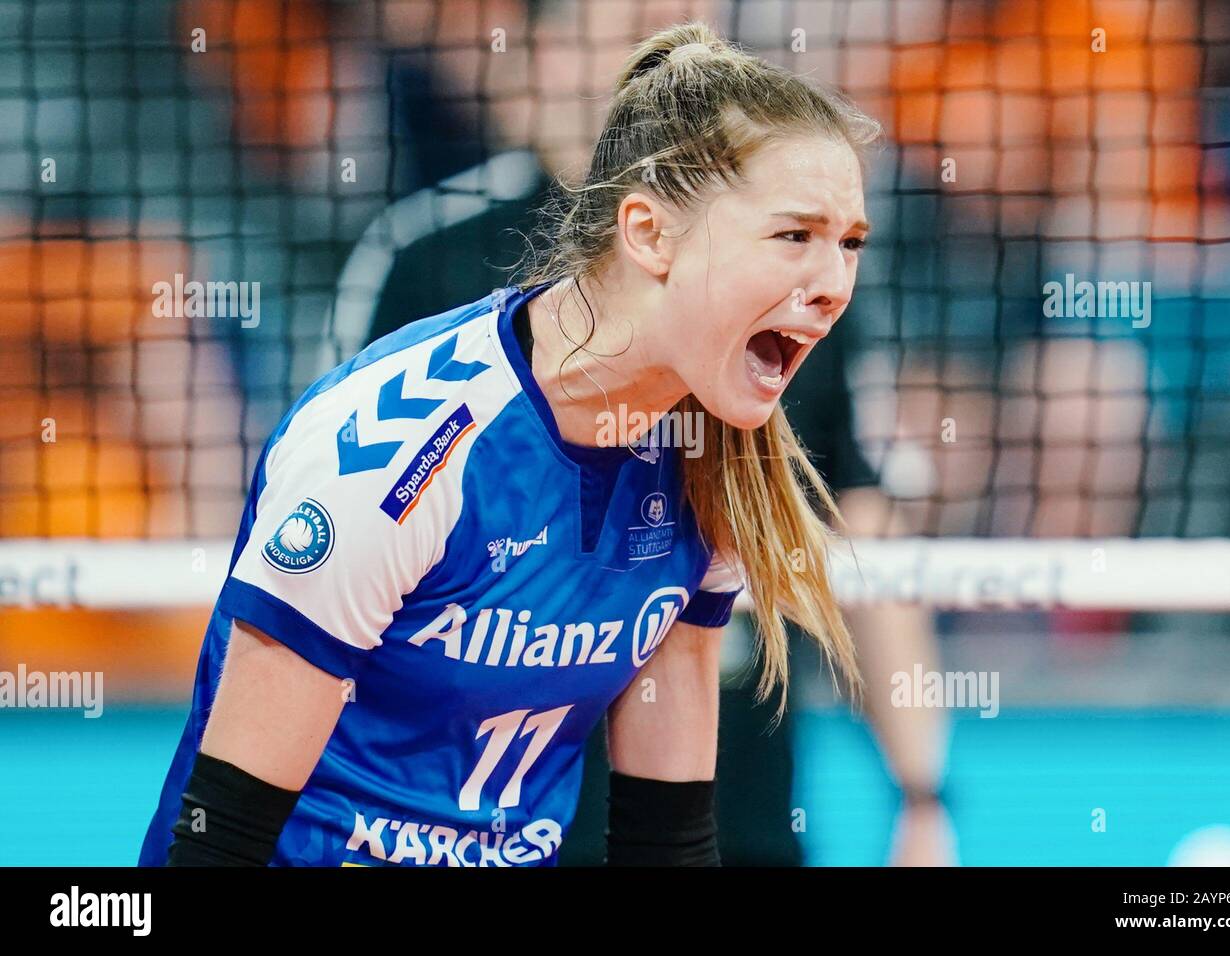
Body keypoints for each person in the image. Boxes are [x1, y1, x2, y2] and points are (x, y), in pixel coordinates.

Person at [137, 21, 881, 867]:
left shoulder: (713, 462)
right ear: (649, 235)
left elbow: (664, 841)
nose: (832, 289)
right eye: (795, 236)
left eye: (850, 244)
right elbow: (219, 836)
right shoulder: (404, 449)